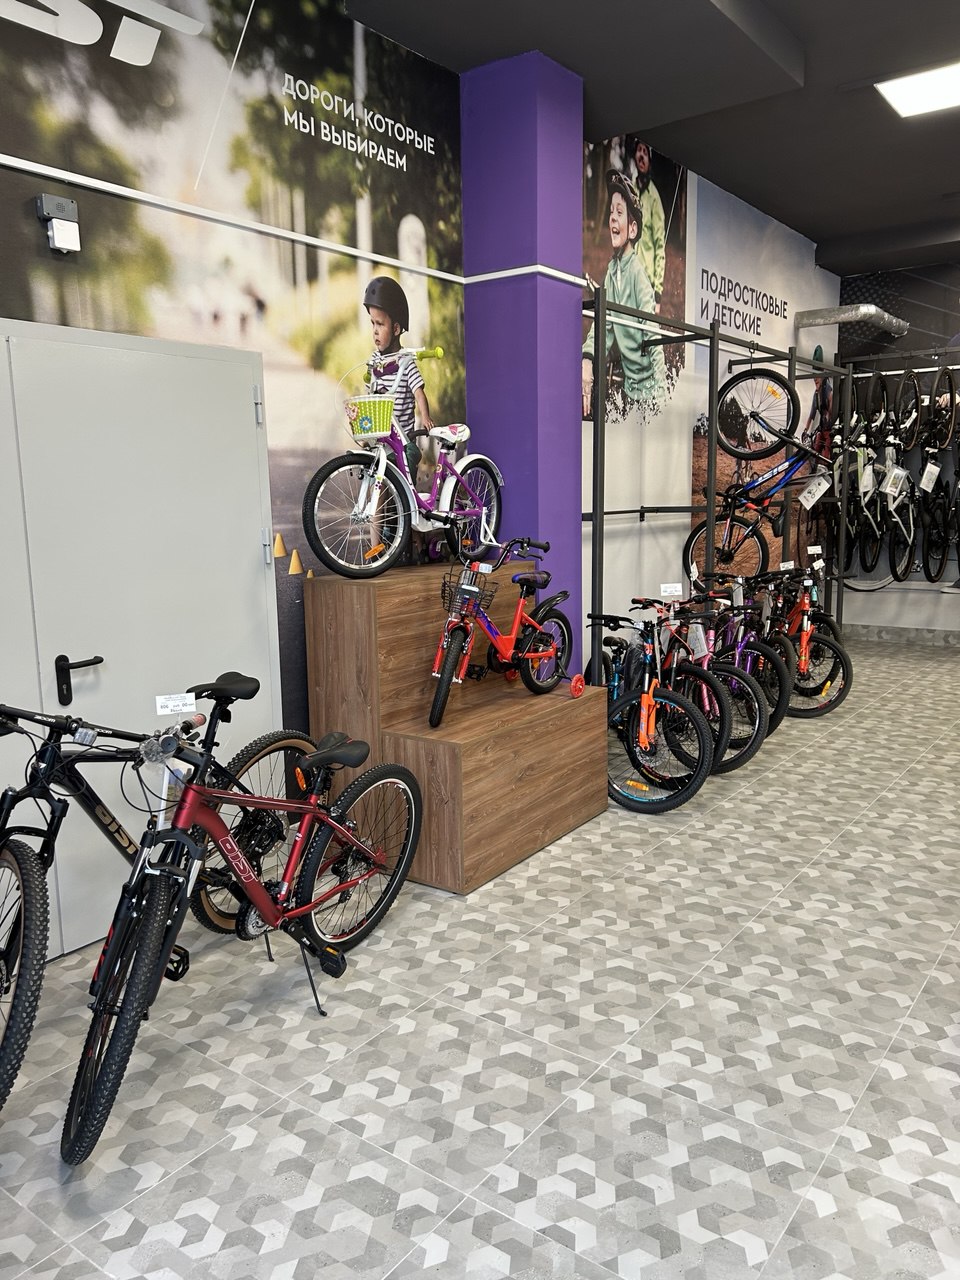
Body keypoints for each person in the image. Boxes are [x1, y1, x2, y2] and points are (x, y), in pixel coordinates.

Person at [582, 170, 666, 419]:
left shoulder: (638, 274)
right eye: (611, 212)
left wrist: (662, 393)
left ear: (632, 229)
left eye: (619, 212)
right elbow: (603, 329)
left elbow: (652, 333)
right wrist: (587, 359)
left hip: (650, 392)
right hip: (630, 389)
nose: (612, 218)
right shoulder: (611, 273)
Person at [363, 275, 434, 482]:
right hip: (381, 436)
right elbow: (370, 394)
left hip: (402, 440)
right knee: (379, 483)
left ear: (395, 329)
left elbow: (418, 393)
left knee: (398, 485)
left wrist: (426, 417)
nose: (375, 331)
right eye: (372, 324)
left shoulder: (405, 361)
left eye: (380, 324)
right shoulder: (374, 360)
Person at [629, 138, 666, 313]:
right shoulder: (629, 191)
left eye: (645, 152)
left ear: (649, 161)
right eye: (639, 151)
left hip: (647, 283)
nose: (641, 156)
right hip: (629, 279)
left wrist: (657, 292)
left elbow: (660, 246)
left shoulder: (654, 198)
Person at [803, 343, 833, 459]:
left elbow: (831, 403)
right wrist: (806, 430)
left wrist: (829, 415)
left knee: (826, 453)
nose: (815, 379)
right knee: (815, 450)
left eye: (818, 377)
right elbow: (811, 415)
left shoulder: (827, 389)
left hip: (830, 429)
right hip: (822, 428)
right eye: (814, 377)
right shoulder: (816, 395)